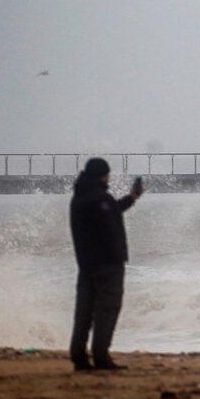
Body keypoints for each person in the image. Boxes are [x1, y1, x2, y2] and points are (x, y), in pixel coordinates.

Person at [69, 157, 144, 371]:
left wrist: (132, 197)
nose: (109, 178)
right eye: (108, 174)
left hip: (85, 265)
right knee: (107, 310)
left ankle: (78, 357)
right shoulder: (98, 198)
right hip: (107, 266)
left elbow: (110, 210)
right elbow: (109, 220)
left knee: (84, 312)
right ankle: (101, 356)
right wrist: (117, 255)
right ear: (103, 175)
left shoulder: (81, 197)